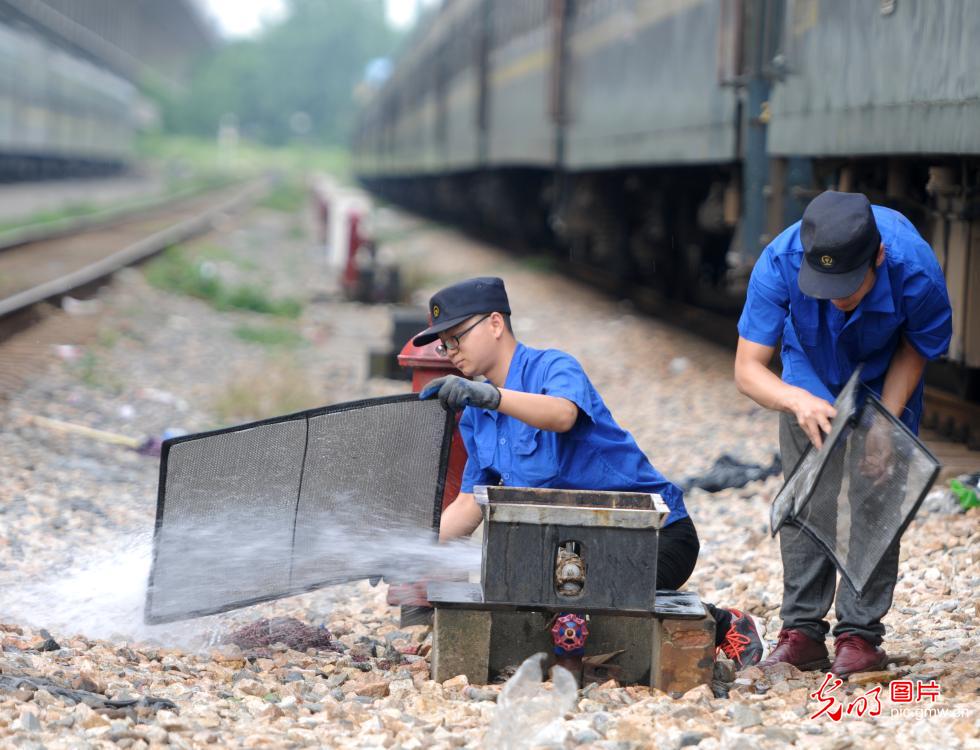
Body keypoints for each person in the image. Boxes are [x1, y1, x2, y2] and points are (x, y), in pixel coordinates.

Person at [415, 276, 767, 669]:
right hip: (574, 550)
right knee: (525, 590)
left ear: (495, 324)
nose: (449, 351)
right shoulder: (476, 416)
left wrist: (492, 397)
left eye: (455, 337)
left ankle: (723, 622)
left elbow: (563, 415)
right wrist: (413, 546)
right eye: (443, 343)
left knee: (573, 595)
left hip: (653, 535)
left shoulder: (553, 367)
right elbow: (469, 503)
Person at [734, 190, 952, 677]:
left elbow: (917, 347)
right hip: (807, 373)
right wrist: (795, 399)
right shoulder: (779, 262)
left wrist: (884, 423)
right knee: (808, 493)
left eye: (849, 286)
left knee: (875, 489)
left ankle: (860, 636)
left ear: (877, 257)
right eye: (825, 285)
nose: (836, 296)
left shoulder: (916, 270)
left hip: (883, 374)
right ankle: (803, 633)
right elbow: (748, 369)